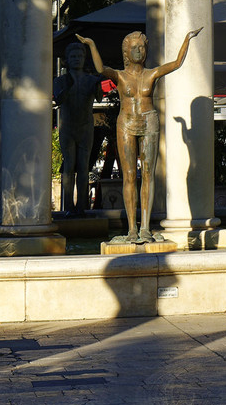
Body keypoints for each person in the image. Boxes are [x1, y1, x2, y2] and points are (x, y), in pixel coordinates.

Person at [76, 27, 202, 244]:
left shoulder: (151, 74)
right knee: (129, 176)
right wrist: (91, 44)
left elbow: (176, 64)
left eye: (142, 47)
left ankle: (145, 227)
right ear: (126, 52)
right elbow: (100, 68)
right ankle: (131, 229)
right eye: (134, 48)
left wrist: (187, 38)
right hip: (126, 123)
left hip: (149, 121)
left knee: (148, 175)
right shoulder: (120, 76)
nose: (139, 51)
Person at [53, 41, 102, 216]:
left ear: (84, 59)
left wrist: (98, 84)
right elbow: (58, 100)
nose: (76, 59)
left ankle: (82, 207)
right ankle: (68, 207)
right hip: (67, 127)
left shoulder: (91, 80)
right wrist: (68, 85)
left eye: (80, 56)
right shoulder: (60, 80)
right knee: (69, 165)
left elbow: (99, 97)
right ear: (67, 59)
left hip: (86, 127)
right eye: (73, 56)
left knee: (83, 166)